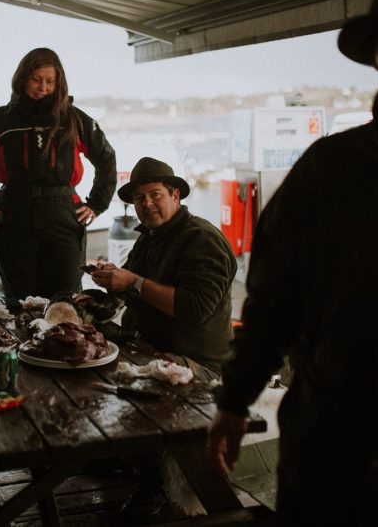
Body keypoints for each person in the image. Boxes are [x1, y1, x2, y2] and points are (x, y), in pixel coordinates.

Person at [210, 0, 378, 524]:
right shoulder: (325, 172)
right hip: (331, 457)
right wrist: (234, 403)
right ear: (377, 56)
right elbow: (272, 303)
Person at [91, 157, 237, 519]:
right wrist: (106, 286)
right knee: (86, 364)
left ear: (175, 194)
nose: (147, 205)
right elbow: (128, 290)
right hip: (148, 348)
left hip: (197, 363)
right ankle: (118, 455)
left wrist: (133, 282)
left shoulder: (201, 239)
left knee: (140, 391)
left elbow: (196, 308)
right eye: (139, 199)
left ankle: (155, 483)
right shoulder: (150, 238)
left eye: (155, 195)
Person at [0, 47, 117, 300]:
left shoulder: (76, 120)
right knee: (18, 299)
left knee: (66, 298)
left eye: (50, 81)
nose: (43, 87)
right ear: (22, 79)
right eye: (36, 79)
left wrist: (97, 204)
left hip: (64, 215)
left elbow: (106, 159)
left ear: (58, 82)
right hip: (13, 215)